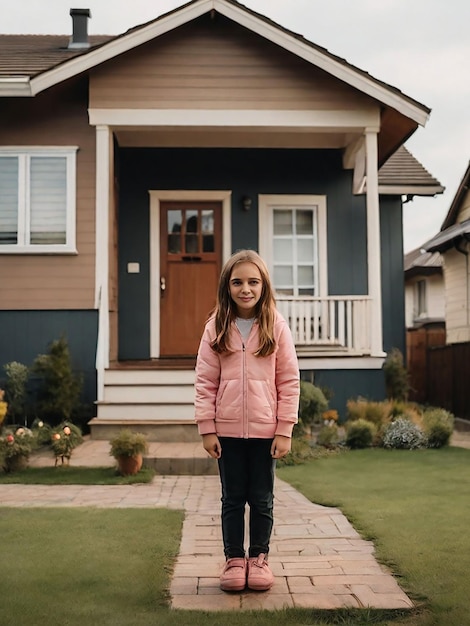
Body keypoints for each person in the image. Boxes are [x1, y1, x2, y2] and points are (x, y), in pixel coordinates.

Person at [194, 249, 300, 592]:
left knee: (262, 498)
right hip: (226, 433)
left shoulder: (275, 326)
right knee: (232, 498)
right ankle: (234, 560)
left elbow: (288, 380)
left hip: (265, 431)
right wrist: (207, 428)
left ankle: (258, 559)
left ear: (263, 286)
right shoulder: (216, 327)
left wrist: (284, 430)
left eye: (253, 282)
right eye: (237, 282)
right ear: (227, 286)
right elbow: (205, 381)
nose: (246, 289)